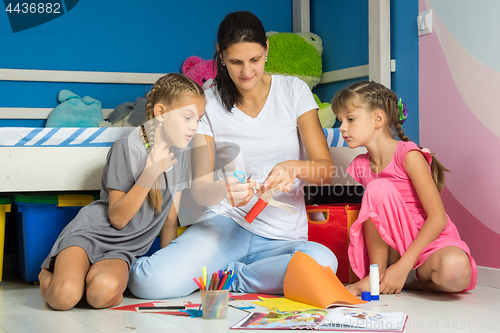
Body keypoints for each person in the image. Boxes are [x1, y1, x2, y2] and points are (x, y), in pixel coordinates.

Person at [127, 11, 338, 299]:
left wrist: (295, 168)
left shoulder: (293, 91)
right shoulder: (208, 101)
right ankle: (231, 271)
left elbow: (325, 172)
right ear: (221, 55)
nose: (246, 72)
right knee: (148, 284)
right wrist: (224, 191)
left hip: (281, 238)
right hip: (224, 227)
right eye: (236, 62)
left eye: (255, 60)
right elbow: (200, 191)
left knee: (324, 262)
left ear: (266, 49)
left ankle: (231, 278)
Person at [38, 73, 206, 310]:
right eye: (187, 117)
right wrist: (149, 174)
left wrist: (168, 269)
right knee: (64, 297)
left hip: (123, 249)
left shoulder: (181, 154)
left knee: (100, 295)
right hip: (91, 234)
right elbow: (117, 219)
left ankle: (85, 280)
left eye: (198, 119)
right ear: (160, 113)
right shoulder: (126, 148)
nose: (194, 127)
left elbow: (170, 218)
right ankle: (46, 276)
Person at [330, 81, 477, 295]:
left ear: (378, 118)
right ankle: (377, 276)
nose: (342, 127)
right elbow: (374, 218)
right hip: (393, 248)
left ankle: (407, 278)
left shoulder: (408, 155)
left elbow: (438, 218)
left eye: (350, 119)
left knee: (455, 271)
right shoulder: (361, 166)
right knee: (376, 190)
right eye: (340, 120)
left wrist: (403, 266)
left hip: (427, 243)